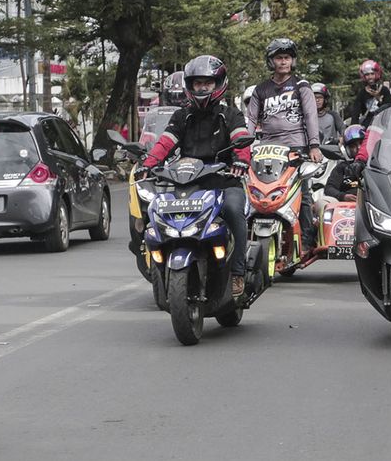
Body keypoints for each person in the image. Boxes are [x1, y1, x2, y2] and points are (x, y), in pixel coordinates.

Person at [137, 55, 252, 297]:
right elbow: (164, 144)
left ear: (218, 84)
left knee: (233, 210)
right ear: (189, 86)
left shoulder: (231, 115)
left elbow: (241, 144)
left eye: (207, 83)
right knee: (157, 210)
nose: (202, 88)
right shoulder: (182, 116)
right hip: (188, 181)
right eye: (197, 84)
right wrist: (147, 163)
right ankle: (160, 271)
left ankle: (238, 272)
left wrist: (241, 161)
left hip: (224, 178)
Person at [245, 38, 324, 256]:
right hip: (266, 147)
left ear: (293, 60)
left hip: (296, 147)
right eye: (279, 58)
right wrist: (243, 145)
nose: (283, 62)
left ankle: (307, 241)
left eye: (287, 58)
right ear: (271, 61)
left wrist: (314, 146)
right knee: (257, 190)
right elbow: (251, 119)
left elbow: (310, 116)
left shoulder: (302, 86)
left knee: (303, 193)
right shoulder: (261, 90)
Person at [315, 124, 365, 216]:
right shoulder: (342, 167)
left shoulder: (376, 166)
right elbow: (329, 188)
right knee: (321, 202)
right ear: (347, 149)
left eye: (361, 143)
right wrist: (343, 196)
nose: (358, 148)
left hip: (370, 206)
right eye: (353, 146)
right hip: (344, 207)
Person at [345, 59, 391, 124]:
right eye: (367, 75)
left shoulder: (384, 90)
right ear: (364, 76)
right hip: (368, 127)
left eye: (372, 74)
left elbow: (389, 107)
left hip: (383, 124)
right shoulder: (362, 93)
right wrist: (354, 127)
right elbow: (355, 112)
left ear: (377, 74)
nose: (370, 77)